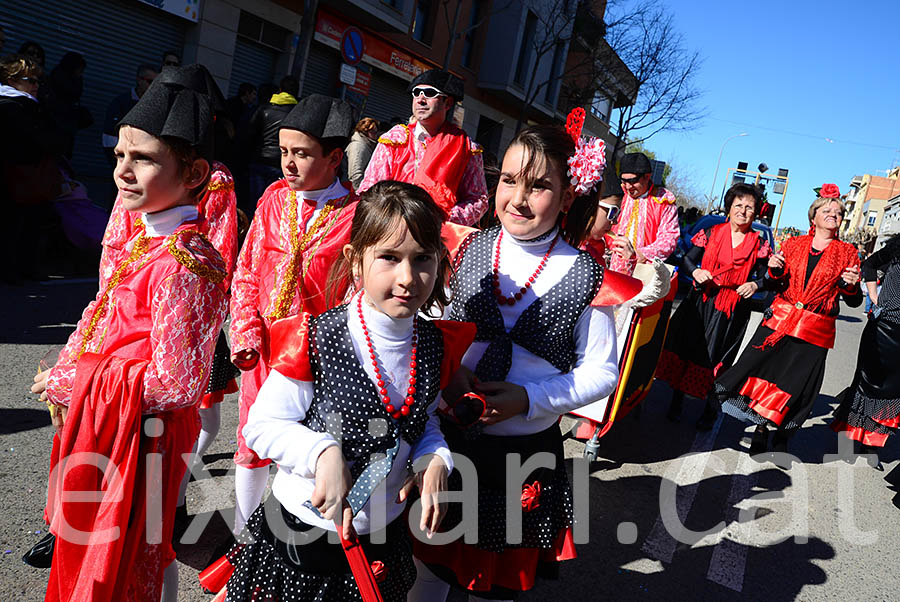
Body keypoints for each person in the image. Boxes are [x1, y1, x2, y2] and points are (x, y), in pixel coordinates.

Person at [410, 114, 641, 600]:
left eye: (537, 186)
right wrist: (449, 370)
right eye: (509, 180)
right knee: (427, 564)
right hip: (448, 438)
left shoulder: (589, 276)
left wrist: (529, 399)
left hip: (521, 454)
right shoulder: (466, 245)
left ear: (567, 195)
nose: (517, 198)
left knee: (492, 582)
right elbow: (430, 324)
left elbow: (602, 372)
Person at [207, 180, 472, 602]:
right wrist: (321, 452)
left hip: (383, 533)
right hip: (303, 531)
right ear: (355, 261)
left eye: (422, 259)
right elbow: (262, 425)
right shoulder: (317, 338)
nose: (407, 278)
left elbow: (422, 421)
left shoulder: (435, 343)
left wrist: (434, 458)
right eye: (388, 257)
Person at [30, 64, 236, 602]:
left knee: (131, 557)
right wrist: (66, 367)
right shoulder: (148, 242)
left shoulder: (183, 264)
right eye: (121, 155)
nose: (123, 169)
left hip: (143, 438)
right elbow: (101, 309)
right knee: (135, 552)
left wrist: (76, 383)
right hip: (112, 423)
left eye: (142, 158)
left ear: (193, 175)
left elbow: (175, 385)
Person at [228, 93, 359, 535]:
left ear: (334, 157)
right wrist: (245, 329)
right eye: (284, 151)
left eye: (301, 154)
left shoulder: (358, 216)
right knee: (249, 443)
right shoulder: (272, 197)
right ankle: (246, 538)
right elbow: (247, 268)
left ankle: (298, 537)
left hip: (317, 359)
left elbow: (357, 294)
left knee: (307, 449)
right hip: (263, 348)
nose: (287, 163)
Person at [715, 184, 861, 456]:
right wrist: (773, 271)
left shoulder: (848, 253)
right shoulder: (792, 245)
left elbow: (853, 300)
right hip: (780, 321)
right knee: (764, 375)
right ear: (813, 216)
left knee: (797, 386)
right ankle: (760, 429)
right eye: (827, 209)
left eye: (838, 212)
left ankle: (783, 433)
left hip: (815, 330)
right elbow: (774, 282)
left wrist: (851, 286)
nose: (834, 214)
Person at [657, 183, 771, 430]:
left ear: (756, 212)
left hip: (732, 310)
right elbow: (688, 259)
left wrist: (754, 285)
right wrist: (696, 271)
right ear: (729, 208)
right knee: (688, 350)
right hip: (701, 301)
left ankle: (710, 409)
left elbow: (768, 277)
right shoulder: (711, 232)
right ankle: (676, 402)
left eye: (749, 207)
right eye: (738, 205)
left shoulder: (759, 243)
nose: (742, 210)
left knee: (718, 360)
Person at [358, 68, 488, 226]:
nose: (420, 99)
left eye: (429, 93)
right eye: (416, 92)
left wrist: (439, 219)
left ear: (447, 103)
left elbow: (478, 200)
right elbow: (369, 189)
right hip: (390, 227)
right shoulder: (395, 140)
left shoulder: (466, 147)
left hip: (438, 236)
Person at [831, 233, 900, 470]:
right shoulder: (897, 247)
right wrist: (874, 296)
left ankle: (872, 446)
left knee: (893, 390)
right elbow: (869, 265)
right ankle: (848, 439)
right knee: (867, 382)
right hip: (883, 327)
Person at [0, 54, 61, 282]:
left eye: (38, 81)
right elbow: (42, 141)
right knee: (18, 226)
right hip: (20, 178)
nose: (36, 86)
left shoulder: (25, 105)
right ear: (11, 79)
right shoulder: (15, 107)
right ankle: (15, 270)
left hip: (19, 178)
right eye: (30, 80)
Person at [609, 151, 679, 273]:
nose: (628, 187)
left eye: (632, 181)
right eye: (624, 181)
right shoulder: (616, 194)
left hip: (641, 269)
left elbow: (669, 239)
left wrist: (641, 254)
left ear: (647, 177)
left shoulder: (663, 200)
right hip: (610, 265)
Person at [242, 75, 299, 211]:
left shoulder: (264, 109)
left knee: (254, 203)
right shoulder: (297, 113)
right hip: (281, 164)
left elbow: (249, 134)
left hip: (259, 161)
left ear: (280, 90)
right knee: (274, 205)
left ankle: (252, 229)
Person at [102, 64, 158, 165]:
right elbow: (109, 137)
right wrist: (119, 161)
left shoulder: (157, 105)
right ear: (139, 80)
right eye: (150, 82)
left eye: (156, 83)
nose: (152, 87)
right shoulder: (121, 103)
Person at [579, 175, 636, 273]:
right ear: (590, 204)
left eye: (618, 214)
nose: (614, 222)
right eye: (613, 212)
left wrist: (626, 263)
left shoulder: (596, 250)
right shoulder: (563, 244)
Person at [46, 51, 93, 159]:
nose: (80, 73)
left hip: (66, 125)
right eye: (79, 70)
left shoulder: (73, 80)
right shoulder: (60, 80)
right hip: (57, 124)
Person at [345, 116, 379, 190]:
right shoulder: (359, 147)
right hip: (352, 191)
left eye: (376, 132)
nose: (376, 135)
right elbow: (355, 175)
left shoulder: (366, 145)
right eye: (373, 132)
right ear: (365, 131)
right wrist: (360, 194)